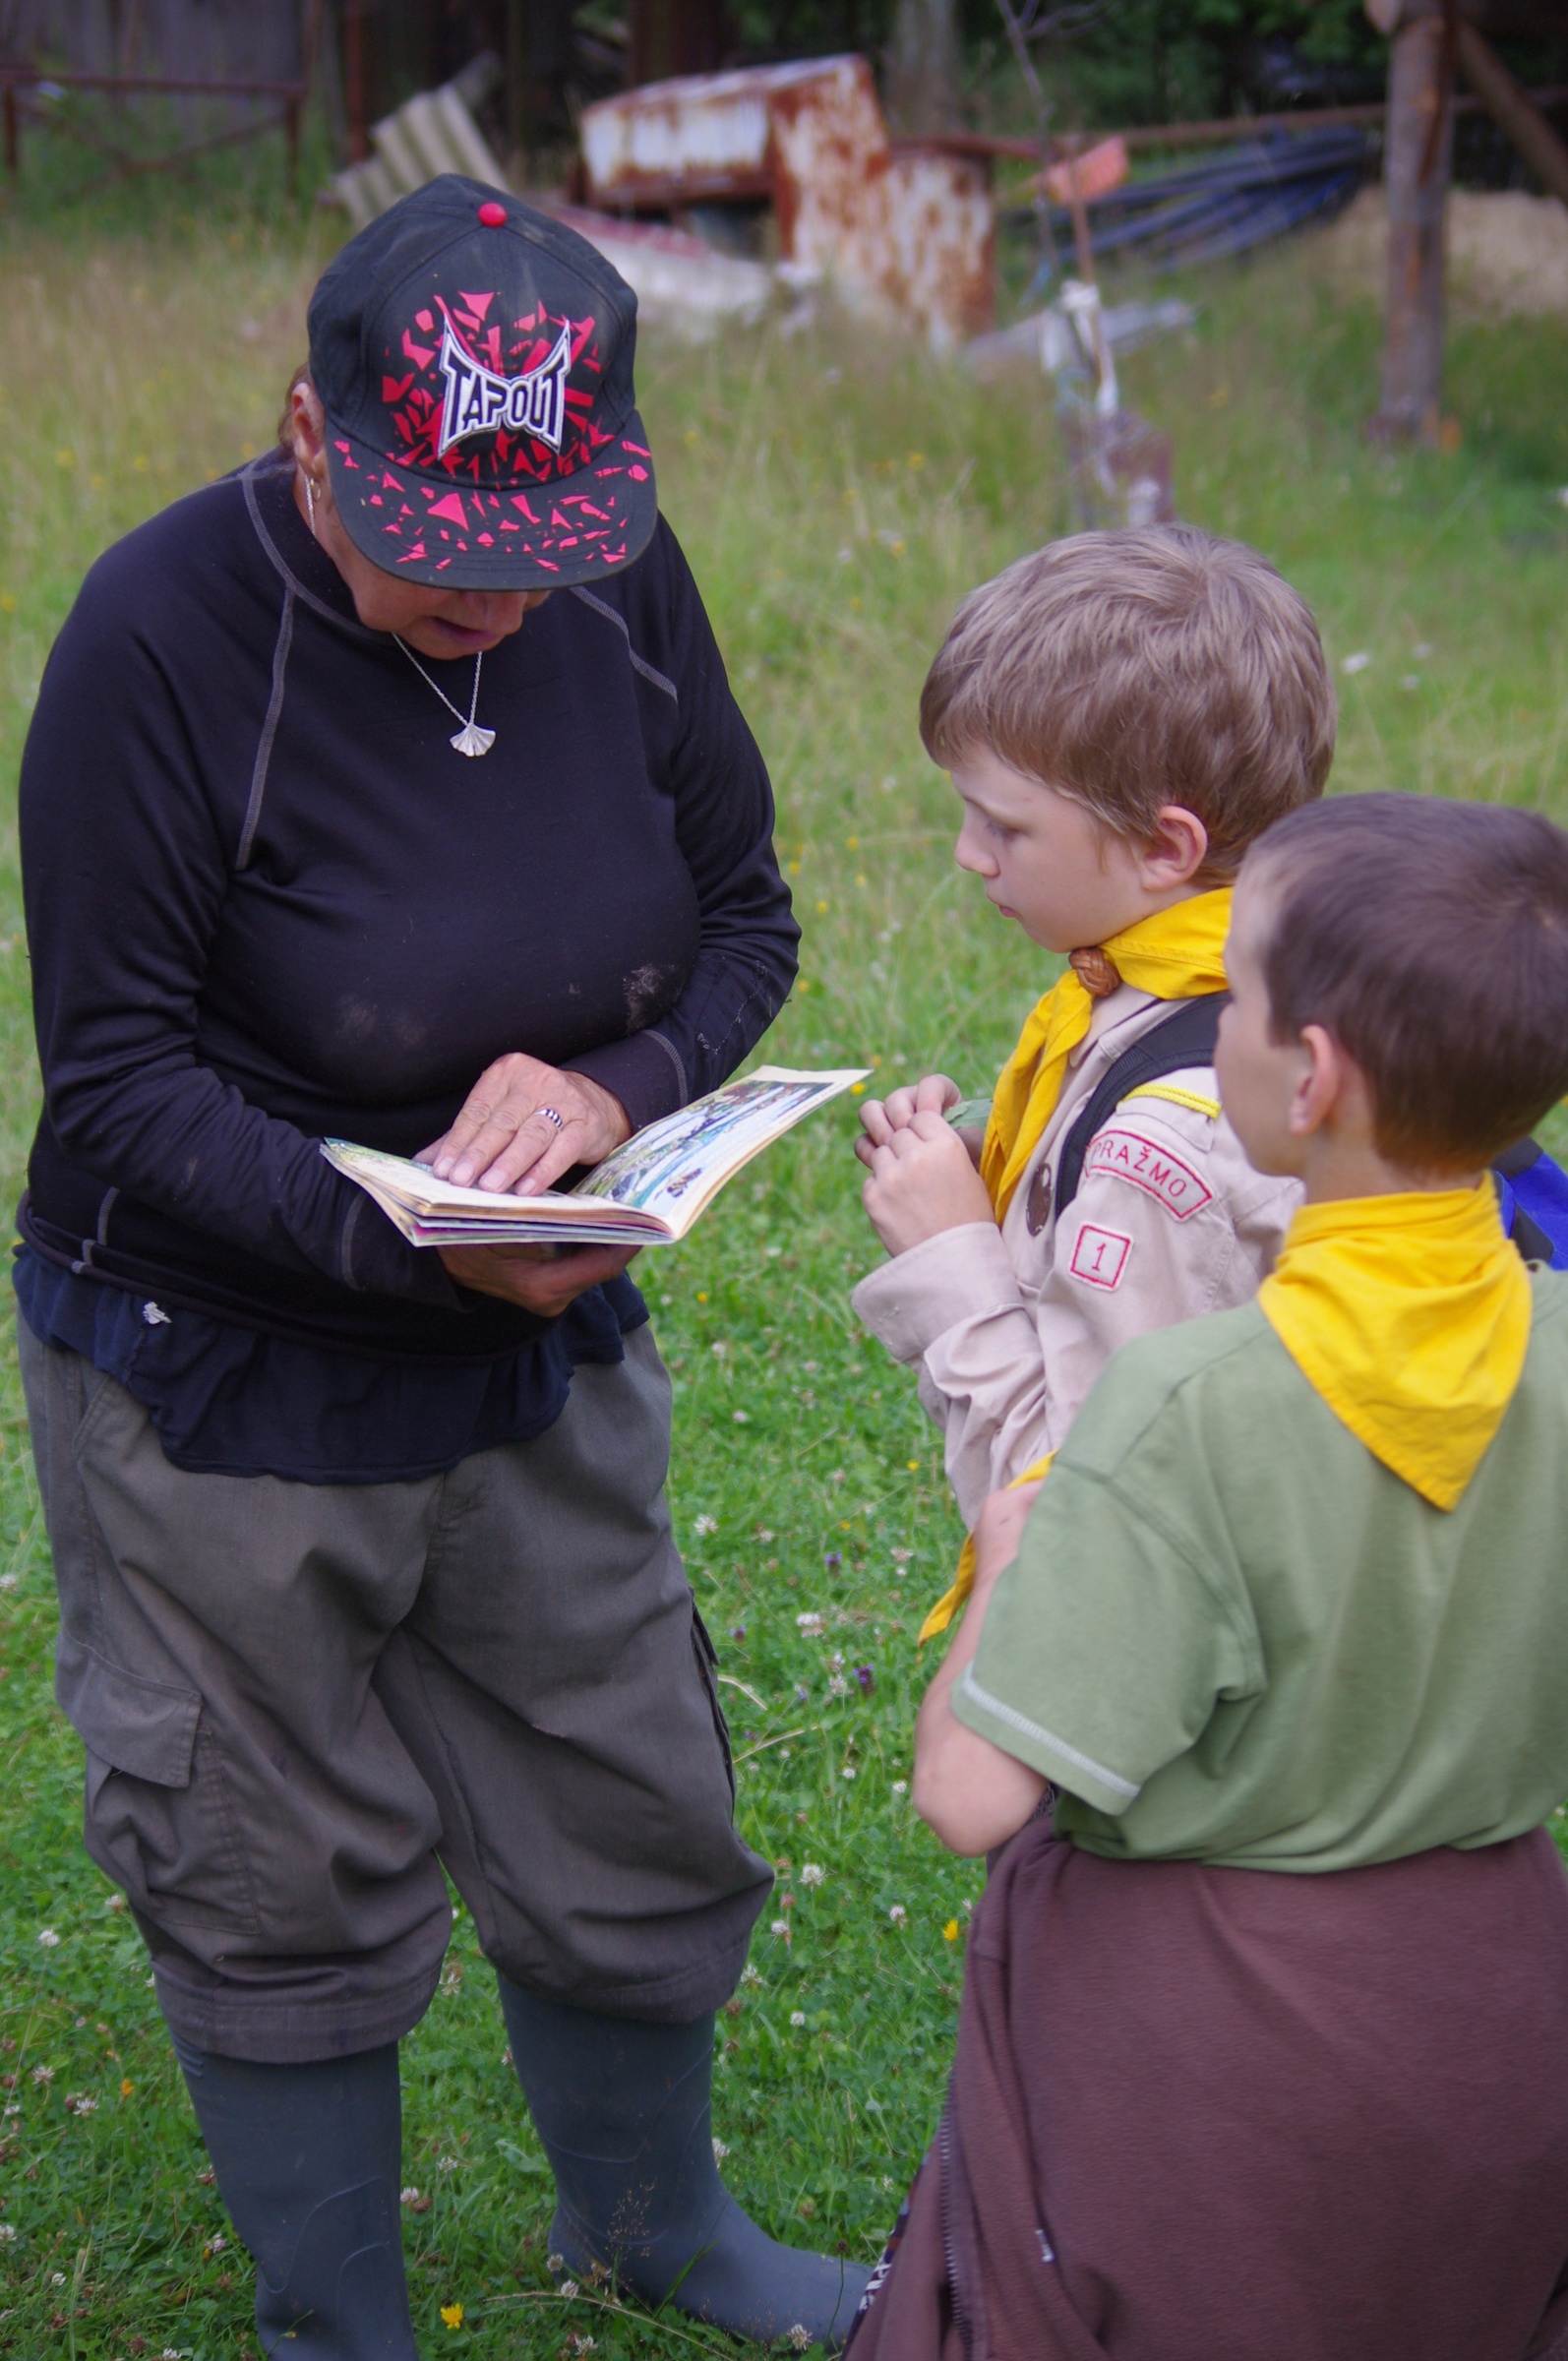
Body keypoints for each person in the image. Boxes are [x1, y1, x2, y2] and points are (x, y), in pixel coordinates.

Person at [15, 176, 867, 2355]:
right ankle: (342, 2325)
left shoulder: (614, 581)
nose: (495, 592)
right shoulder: (157, 636)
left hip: (537, 1331)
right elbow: (115, 1076)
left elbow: (744, 916)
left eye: (538, 545)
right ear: (311, 437)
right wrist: (413, 1247)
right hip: (221, 1367)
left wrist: (612, 1085)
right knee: (265, 1841)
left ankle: (657, 2233)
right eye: (438, 544)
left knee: (626, 1773)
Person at [849, 793, 1568, 2359]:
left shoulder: (1184, 1404)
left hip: (1207, 2039)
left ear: (1310, 1077)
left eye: (1230, 994)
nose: (1208, 1024)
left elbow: (971, 1796)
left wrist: (1014, 1551)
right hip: (1502, 2007)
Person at [851, 529, 1331, 1637]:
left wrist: (951, 1255)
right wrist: (1003, 1173)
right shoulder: (1288, 975)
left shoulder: (1161, 1149)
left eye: (1006, 824)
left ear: (1166, 847)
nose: (969, 854)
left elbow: (1087, 1534)